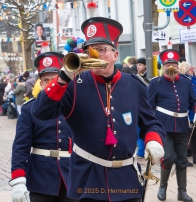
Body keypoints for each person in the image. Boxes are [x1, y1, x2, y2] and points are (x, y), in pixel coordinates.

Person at [32, 17, 166, 202]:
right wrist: (62, 78)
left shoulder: (134, 85)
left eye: (101, 50)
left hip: (126, 180)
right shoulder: (73, 84)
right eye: (90, 50)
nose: (95, 55)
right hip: (87, 179)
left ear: (115, 54)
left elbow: (150, 123)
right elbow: (40, 112)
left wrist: (154, 140)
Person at [9, 52, 76, 202]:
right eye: (46, 80)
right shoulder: (29, 109)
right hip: (40, 177)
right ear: (40, 82)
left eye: (54, 79)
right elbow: (21, 146)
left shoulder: (75, 106)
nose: (50, 83)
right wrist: (18, 179)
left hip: (72, 175)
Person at [147, 49, 196, 202]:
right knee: (168, 157)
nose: (170, 67)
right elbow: (147, 107)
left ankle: (182, 192)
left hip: (182, 125)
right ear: (163, 67)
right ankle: (163, 187)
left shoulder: (185, 82)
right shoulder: (155, 83)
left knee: (181, 159)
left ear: (178, 66)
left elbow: (194, 100)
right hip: (162, 126)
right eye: (167, 65)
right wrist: (148, 127)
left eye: (173, 64)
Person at [179, 62, 196, 166]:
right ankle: (184, 158)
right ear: (186, 69)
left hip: (194, 111)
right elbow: (191, 95)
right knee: (186, 136)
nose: (193, 69)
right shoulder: (184, 81)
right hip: (187, 112)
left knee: (194, 135)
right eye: (191, 68)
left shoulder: (192, 80)